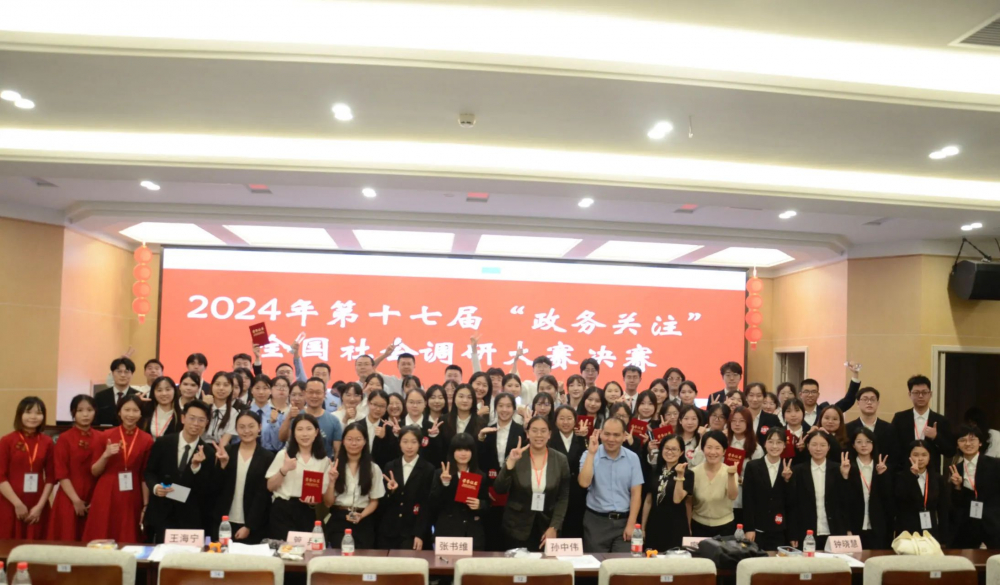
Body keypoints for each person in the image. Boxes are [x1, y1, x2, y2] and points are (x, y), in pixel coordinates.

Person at [143, 400, 218, 543]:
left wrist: (195, 467)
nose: (196, 423)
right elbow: (149, 472)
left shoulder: (208, 452)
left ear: (206, 423)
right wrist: (156, 487)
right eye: (192, 418)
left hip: (190, 517)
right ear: (183, 418)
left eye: (201, 420)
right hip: (162, 512)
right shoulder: (163, 443)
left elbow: (206, 489)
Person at [493, 416, 571, 550]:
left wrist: (554, 527)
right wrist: (510, 464)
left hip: (546, 526)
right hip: (516, 526)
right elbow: (499, 489)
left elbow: (563, 497)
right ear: (528, 434)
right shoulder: (516, 455)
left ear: (549, 434)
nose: (539, 435)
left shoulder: (560, 460)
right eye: (534, 430)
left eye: (543, 431)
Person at [83, 395, 153, 542]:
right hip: (106, 491)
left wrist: (146, 505)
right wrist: (105, 455)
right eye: (127, 410)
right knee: (103, 530)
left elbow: (144, 476)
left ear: (141, 414)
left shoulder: (147, 439)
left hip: (132, 493)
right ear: (119, 412)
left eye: (135, 410)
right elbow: (94, 471)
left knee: (127, 533)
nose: (131, 414)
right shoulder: (106, 435)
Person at [265, 413, 336, 539]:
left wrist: (316, 500)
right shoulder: (284, 455)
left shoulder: (323, 460)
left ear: (316, 432)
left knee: (306, 548)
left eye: (309, 429)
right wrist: (284, 470)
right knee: (283, 548)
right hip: (283, 510)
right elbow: (270, 487)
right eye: (300, 429)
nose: (304, 434)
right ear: (293, 433)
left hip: (308, 511)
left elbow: (325, 498)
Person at [578, 417, 644, 553]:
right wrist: (591, 454)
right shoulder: (588, 454)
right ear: (600, 433)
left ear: (624, 436)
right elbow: (584, 483)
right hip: (596, 521)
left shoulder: (633, 458)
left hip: (624, 521)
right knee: (595, 563)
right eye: (607, 434)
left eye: (616, 435)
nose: (611, 439)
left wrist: (631, 524)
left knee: (622, 564)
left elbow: (636, 494)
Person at [212, 411, 274, 544]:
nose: (246, 431)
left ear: (259, 427)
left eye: (251, 426)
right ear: (236, 429)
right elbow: (215, 488)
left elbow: (263, 495)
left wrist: (249, 526)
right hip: (224, 522)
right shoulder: (227, 452)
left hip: (253, 525)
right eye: (241, 427)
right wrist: (222, 466)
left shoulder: (267, 457)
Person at [0, 396, 55, 539]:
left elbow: (51, 477)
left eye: (38, 413)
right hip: (10, 502)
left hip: (38, 503)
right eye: (28, 412)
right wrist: (17, 504)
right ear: (20, 414)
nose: (33, 417)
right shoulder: (7, 441)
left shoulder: (47, 442)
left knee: (37, 545)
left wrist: (40, 507)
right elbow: (1, 476)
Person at [326, 422, 385, 548]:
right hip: (339, 519)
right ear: (343, 441)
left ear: (365, 442)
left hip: (364, 519)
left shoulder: (373, 469)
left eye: (358, 439)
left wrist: (361, 516)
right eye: (349, 439)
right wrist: (331, 482)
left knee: (362, 558)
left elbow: (374, 501)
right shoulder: (333, 467)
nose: (354, 443)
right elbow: (328, 503)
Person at [478, 391, 525, 550]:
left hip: (513, 491)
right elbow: (480, 463)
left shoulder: (521, 431)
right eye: (500, 406)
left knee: (510, 538)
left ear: (514, 409)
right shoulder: (486, 431)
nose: (504, 410)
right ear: (495, 408)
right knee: (491, 535)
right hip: (490, 490)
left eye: (508, 406)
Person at [49, 395, 100, 541]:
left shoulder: (101, 437)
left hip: (94, 496)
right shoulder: (64, 438)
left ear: (95, 412)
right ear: (73, 413)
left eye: (89, 410)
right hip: (69, 497)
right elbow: (61, 473)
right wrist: (76, 500)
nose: (85, 414)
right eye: (80, 410)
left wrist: (97, 499)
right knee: (67, 539)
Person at [377, 425, 435, 550]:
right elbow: (383, 502)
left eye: (414, 442)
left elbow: (426, 505)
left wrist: (419, 534)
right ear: (399, 443)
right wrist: (391, 491)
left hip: (412, 531)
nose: (409, 446)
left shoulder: (428, 469)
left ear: (420, 444)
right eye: (405, 441)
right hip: (389, 530)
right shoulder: (390, 466)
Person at [788, 430, 846, 550]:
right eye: (814, 444)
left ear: (828, 447)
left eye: (823, 445)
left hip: (834, 530)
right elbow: (792, 505)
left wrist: (845, 477)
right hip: (806, 532)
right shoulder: (797, 471)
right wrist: (793, 534)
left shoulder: (838, 469)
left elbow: (845, 503)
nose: (818, 449)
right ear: (808, 446)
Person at [430, 433, 490, 550]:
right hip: (447, 534)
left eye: (467, 450)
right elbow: (433, 504)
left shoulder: (480, 475)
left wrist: (480, 505)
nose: (463, 454)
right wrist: (444, 484)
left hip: (472, 534)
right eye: (459, 449)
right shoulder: (440, 473)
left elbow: (487, 505)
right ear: (452, 452)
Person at [947, 424, 1000, 548]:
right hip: (968, 525)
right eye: (962, 440)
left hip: (993, 523)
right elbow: (956, 503)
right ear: (957, 444)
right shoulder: (956, 469)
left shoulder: (995, 464)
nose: (967, 444)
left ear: (980, 443)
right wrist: (958, 487)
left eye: (972, 440)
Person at [890, 375, 954, 473]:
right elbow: (892, 447)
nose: (920, 396)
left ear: (930, 394)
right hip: (905, 472)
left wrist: (936, 437)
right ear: (909, 394)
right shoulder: (900, 418)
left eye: (924, 392)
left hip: (931, 474)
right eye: (916, 392)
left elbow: (950, 451)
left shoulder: (941, 420)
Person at [742, 428, 792, 550]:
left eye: (779, 442)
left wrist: (787, 481)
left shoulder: (789, 469)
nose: (774, 446)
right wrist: (749, 528)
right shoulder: (752, 466)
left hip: (779, 529)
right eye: (771, 441)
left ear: (784, 445)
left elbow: (791, 503)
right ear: (764, 444)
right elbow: (748, 499)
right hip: (757, 529)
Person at [842, 428, 892, 550]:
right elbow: (843, 501)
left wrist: (882, 475)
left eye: (868, 441)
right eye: (859, 442)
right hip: (855, 526)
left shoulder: (882, 467)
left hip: (877, 526)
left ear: (873, 444)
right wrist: (845, 476)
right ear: (853, 445)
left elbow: (888, 499)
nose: (864, 445)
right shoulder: (847, 467)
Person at [641, 434, 693, 550]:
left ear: (681, 452)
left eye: (674, 449)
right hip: (654, 524)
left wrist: (679, 475)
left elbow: (678, 499)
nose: (669, 452)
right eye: (667, 448)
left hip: (676, 526)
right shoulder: (654, 471)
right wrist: (643, 528)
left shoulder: (688, 474)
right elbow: (648, 501)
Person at [895, 440, 950, 541]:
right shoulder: (900, 477)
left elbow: (943, 508)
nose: (920, 459)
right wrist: (912, 476)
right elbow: (900, 499)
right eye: (915, 455)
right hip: (907, 530)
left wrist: (944, 537)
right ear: (909, 456)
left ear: (929, 457)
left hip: (930, 529)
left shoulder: (937, 478)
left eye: (924, 455)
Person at [687, 430, 739, 537]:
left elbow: (732, 496)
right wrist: (688, 526)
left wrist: (730, 475)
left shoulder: (730, 471)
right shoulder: (694, 472)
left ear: (724, 451)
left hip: (725, 526)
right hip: (698, 525)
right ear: (703, 449)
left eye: (717, 448)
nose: (712, 452)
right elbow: (688, 502)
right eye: (709, 447)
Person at [282, 377, 344, 458]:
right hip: (297, 463)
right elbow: (283, 438)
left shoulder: (334, 421)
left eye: (318, 392)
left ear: (325, 394)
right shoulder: (296, 417)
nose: (314, 396)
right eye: (311, 392)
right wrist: (288, 418)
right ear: (305, 393)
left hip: (324, 464)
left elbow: (337, 450)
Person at [550, 405, 587, 539]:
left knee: (574, 531)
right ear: (555, 421)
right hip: (555, 492)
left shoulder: (583, 440)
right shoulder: (549, 440)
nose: (565, 422)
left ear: (575, 420)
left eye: (569, 418)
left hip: (577, 493)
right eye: (561, 418)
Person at [727, 407, 764, 526]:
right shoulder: (723, 443)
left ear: (748, 423)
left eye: (742, 421)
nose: (737, 424)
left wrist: (740, 479)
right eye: (734, 420)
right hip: (723, 497)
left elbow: (758, 478)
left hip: (744, 498)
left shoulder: (756, 448)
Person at [798, 363, 862, 427]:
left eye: (813, 392)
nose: (810, 395)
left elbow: (848, 401)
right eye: (806, 392)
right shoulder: (795, 412)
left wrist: (855, 374)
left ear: (818, 394)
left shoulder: (826, 410)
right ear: (800, 394)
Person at [845, 386, 897, 465]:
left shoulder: (889, 428)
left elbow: (894, 456)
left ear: (878, 403)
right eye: (865, 399)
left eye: (872, 399)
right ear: (858, 403)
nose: (869, 402)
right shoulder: (847, 428)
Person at [95, 357, 139, 426]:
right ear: (112, 373)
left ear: (132, 374)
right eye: (119, 371)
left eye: (126, 372)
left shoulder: (138, 396)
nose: (122, 375)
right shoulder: (100, 396)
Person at [363, 390, 400, 469]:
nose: (378, 409)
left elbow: (393, 456)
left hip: (381, 471)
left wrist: (384, 438)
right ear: (368, 403)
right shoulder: (357, 426)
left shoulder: (389, 429)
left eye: (382, 406)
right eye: (375, 404)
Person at [203, 372, 238, 447]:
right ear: (212, 386)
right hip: (200, 446)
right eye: (217, 384)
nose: (221, 388)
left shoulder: (233, 413)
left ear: (231, 389)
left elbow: (227, 438)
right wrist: (204, 407)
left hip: (221, 448)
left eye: (226, 385)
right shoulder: (203, 407)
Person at [262, 376, 291, 452]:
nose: (281, 389)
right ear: (270, 390)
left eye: (284, 386)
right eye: (278, 386)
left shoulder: (292, 411)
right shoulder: (263, 408)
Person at [782, 398, 811, 466]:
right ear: (783, 415)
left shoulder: (809, 434)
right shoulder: (779, 433)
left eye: (797, 410)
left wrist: (804, 449)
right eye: (788, 411)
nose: (793, 415)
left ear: (803, 412)